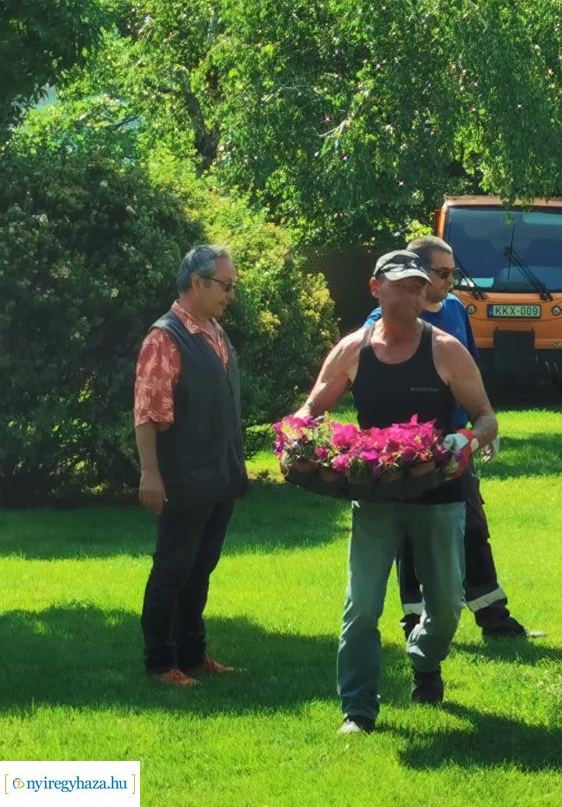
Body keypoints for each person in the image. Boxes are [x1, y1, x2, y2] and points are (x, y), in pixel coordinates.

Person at [296, 250, 501, 735]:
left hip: (439, 493)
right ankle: (358, 711)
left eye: (418, 285)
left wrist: (465, 439)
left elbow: (487, 416)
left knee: (448, 606)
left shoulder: (446, 349)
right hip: (375, 495)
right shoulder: (353, 350)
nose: (413, 292)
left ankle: (424, 660)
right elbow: (313, 407)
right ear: (376, 288)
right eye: (402, 284)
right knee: (362, 605)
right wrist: (301, 437)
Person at [366, 236, 533, 641]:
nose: (451, 282)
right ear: (418, 276)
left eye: (453, 272)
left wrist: (483, 427)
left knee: (472, 526)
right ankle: (414, 619)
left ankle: (493, 616)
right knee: (409, 536)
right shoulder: (379, 322)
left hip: (457, 444)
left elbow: (471, 373)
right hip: (405, 452)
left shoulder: (456, 310)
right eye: (443, 273)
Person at [134, 244, 246, 687]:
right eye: (226, 285)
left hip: (219, 476)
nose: (230, 294)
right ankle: (160, 662)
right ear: (198, 283)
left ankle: (194, 655)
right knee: (174, 568)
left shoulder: (214, 330)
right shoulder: (164, 338)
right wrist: (150, 472)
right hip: (184, 477)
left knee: (201, 567)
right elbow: (147, 413)